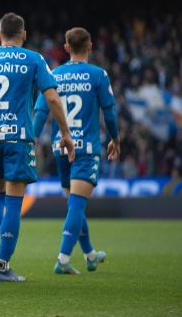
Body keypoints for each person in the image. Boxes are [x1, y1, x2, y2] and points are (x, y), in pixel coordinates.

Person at [0, 12, 75, 282]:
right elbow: (53, 99)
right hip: (17, 136)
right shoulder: (33, 59)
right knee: (13, 201)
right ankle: (2, 266)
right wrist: (65, 132)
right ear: (23, 34)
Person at [33, 27, 119, 274]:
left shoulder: (55, 74)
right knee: (77, 205)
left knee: (74, 204)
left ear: (67, 47)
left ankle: (90, 254)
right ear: (90, 45)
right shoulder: (98, 75)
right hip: (86, 149)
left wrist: (33, 140)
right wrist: (116, 139)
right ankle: (62, 260)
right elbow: (110, 112)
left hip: (62, 147)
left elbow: (41, 112)